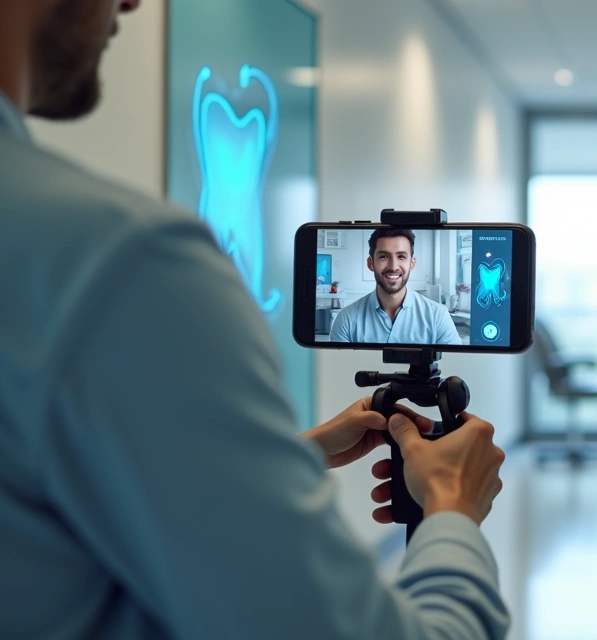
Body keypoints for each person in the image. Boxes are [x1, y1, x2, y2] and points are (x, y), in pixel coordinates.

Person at [0, 1, 508, 638]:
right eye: (383, 256)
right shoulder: (121, 262)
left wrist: (280, 462)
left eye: (404, 257)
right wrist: (453, 512)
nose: (132, 3)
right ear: (372, 260)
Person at [330, 228, 462, 345]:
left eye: (401, 256)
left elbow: (453, 368)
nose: (393, 266)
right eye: (383, 256)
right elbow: (340, 371)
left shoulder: (438, 316)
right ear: (371, 263)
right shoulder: (346, 319)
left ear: (412, 263)